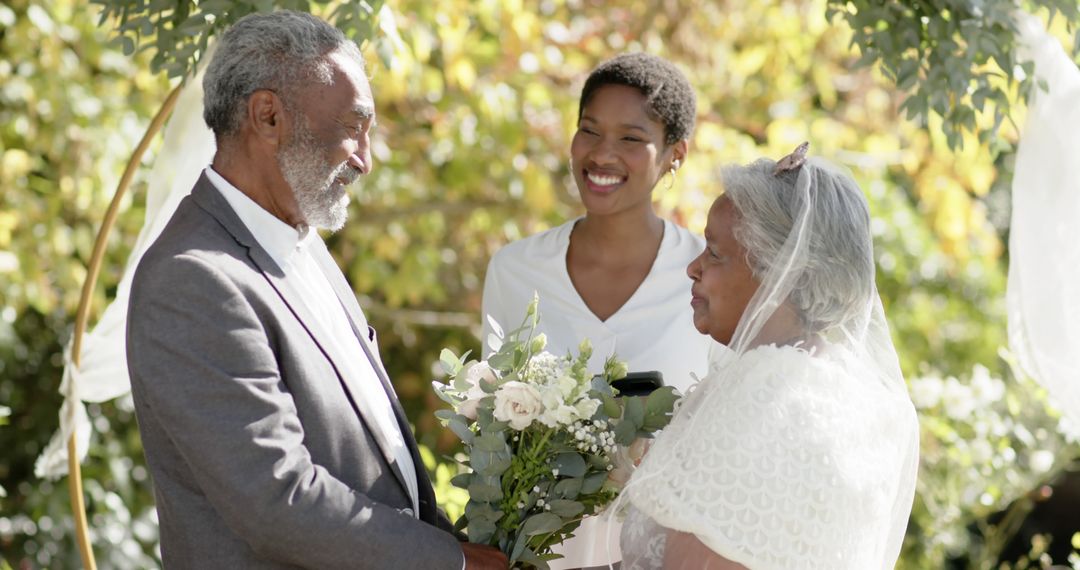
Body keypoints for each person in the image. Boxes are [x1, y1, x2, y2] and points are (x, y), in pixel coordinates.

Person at [126, 11, 506, 569]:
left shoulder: (304, 242)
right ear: (268, 115)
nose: (365, 160)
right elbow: (276, 497)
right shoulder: (193, 278)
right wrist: (452, 563)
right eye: (353, 127)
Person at [618, 144, 920, 569]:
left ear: (779, 275)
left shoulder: (759, 396)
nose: (694, 268)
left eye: (715, 253)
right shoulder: (856, 397)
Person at [481, 53, 712, 569]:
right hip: (536, 556)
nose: (603, 154)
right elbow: (492, 433)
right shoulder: (514, 272)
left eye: (631, 138)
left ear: (675, 154)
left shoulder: (706, 280)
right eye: (589, 131)